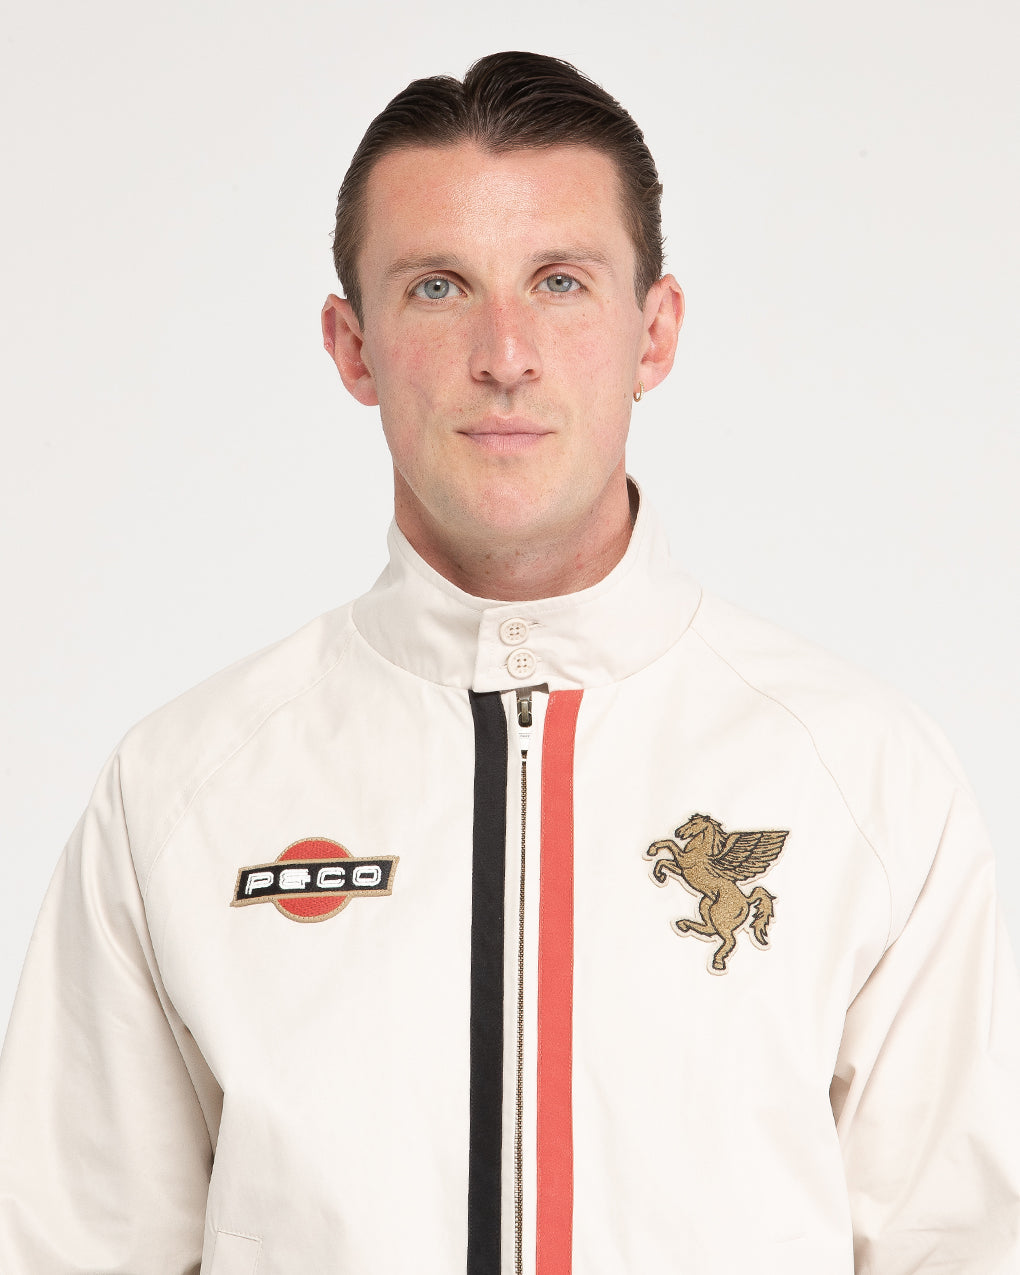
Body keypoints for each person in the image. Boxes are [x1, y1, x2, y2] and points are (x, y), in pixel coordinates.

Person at [0, 49, 1017, 1275]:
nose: (506, 352)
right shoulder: (181, 791)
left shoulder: (862, 778)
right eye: (438, 287)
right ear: (353, 347)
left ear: (654, 333)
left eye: (560, 282)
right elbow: (68, 1249)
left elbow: (961, 1247)